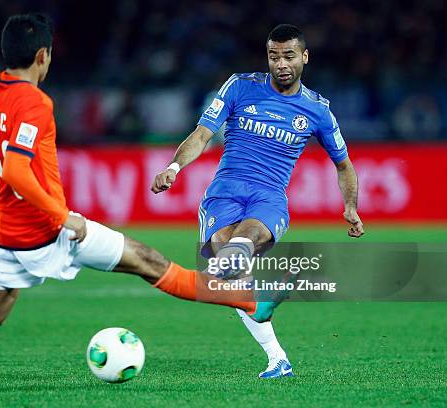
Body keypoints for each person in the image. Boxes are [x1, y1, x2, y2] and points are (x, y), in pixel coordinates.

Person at [0, 13, 278, 391]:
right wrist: (65, 220)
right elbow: (17, 171)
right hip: (47, 230)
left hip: (5, 236)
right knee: (152, 264)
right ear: (42, 55)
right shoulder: (34, 103)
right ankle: (252, 301)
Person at [152, 24, 364, 379]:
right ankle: (278, 359)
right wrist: (173, 167)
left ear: (304, 57)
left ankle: (234, 280)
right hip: (224, 195)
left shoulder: (317, 110)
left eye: (289, 56)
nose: (281, 64)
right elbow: (202, 134)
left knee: (241, 246)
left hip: (268, 199)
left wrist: (351, 207)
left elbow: (343, 164)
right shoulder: (240, 86)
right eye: (274, 56)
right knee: (234, 274)